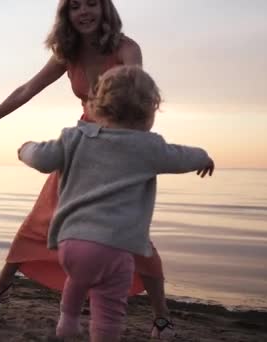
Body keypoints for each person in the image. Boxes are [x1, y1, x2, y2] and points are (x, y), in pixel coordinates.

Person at [0, 0, 174, 338]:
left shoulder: (126, 49)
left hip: (121, 145)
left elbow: (141, 96)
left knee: (130, 232)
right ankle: (0, 288)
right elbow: (27, 89)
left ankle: (161, 315)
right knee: (42, 220)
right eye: (74, 7)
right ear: (66, 15)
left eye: (91, 4)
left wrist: (132, 149)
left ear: (105, 10)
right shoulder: (67, 53)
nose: (84, 12)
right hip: (83, 143)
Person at [18, 65, 214, 341]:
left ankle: (68, 321)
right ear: (150, 111)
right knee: (108, 307)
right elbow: (184, 157)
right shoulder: (150, 147)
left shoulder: (75, 138)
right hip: (113, 248)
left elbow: (39, 158)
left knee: (79, 277)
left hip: (69, 244)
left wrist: (24, 148)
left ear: (96, 106)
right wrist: (204, 157)